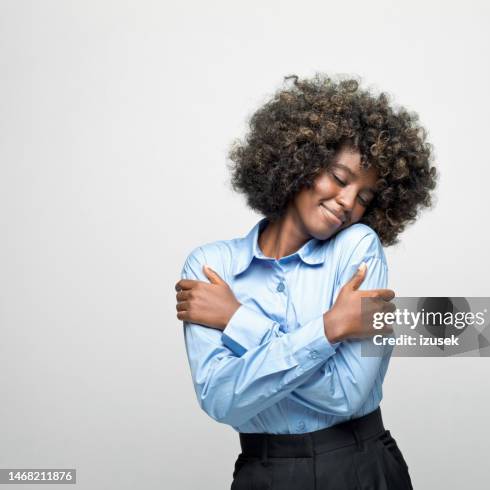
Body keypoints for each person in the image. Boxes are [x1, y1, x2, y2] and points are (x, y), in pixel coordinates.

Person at [175, 74, 437, 490]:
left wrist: (238, 321)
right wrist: (331, 328)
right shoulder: (211, 266)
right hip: (263, 473)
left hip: (358, 465)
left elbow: (347, 394)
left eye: (365, 197)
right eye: (339, 177)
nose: (350, 202)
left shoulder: (358, 248)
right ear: (299, 161)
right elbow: (221, 401)